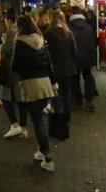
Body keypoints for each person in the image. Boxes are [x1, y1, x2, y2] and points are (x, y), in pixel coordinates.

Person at [12, 15, 58, 173]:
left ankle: (47, 156)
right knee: (41, 119)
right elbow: (49, 62)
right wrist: (53, 82)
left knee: (38, 121)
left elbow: (15, 66)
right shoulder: (41, 39)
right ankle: (41, 151)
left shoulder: (19, 42)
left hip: (31, 84)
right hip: (45, 83)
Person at [0, 8, 28, 139]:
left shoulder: (10, 33)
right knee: (21, 99)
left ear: (8, 20)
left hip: (9, 70)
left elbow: (6, 51)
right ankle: (24, 127)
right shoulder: (21, 32)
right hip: (21, 69)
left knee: (5, 97)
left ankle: (14, 124)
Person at [43, 11, 78, 139]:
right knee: (67, 95)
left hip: (55, 70)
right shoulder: (69, 33)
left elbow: (46, 54)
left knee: (56, 95)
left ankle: (58, 120)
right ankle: (66, 118)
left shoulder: (47, 34)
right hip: (69, 69)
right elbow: (74, 52)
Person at [70, 6, 97, 111]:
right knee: (88, 79)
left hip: (74, 58)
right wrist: (94, 59)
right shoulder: (88, 28)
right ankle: (89, 100)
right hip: (87, 58)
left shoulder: (69, 28)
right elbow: (92, 44)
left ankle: (78, 101)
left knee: (75, 80)